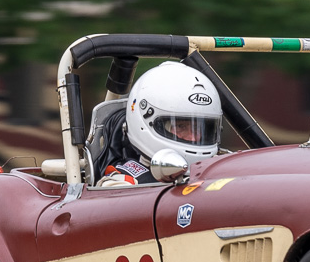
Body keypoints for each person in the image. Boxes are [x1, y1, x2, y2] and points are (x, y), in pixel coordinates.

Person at [94, 61, 223, 187]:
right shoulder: (121, 184)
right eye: (180, 126)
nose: (194, 137)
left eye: (199, 128)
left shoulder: (223, 173)